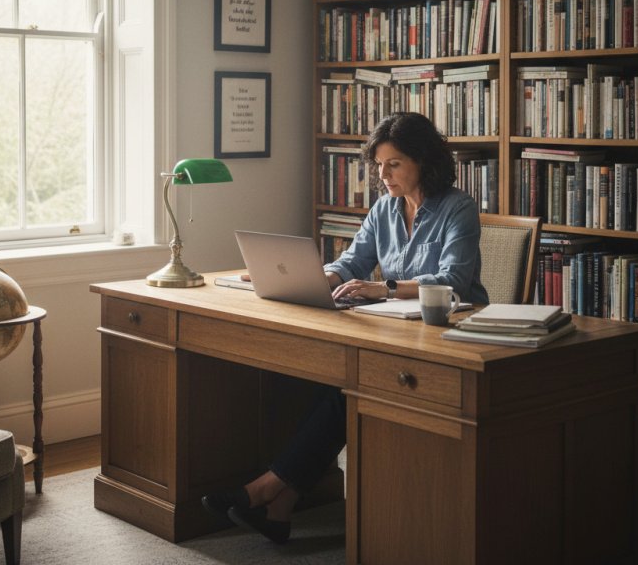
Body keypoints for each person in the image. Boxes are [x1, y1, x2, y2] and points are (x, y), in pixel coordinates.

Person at [201, 112, 488, 544]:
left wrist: (383, 287)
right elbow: (352, 261)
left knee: (343, 389)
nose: (382, 174)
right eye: (378, 165)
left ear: (423, 162)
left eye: (393, 164)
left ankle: (266, 492)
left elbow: (453, 281)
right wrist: (315, 277)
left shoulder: (457, 208)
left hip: (449, 327)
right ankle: (279, 504)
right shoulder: (384, 208)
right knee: (333, 383)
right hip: (396, 328)